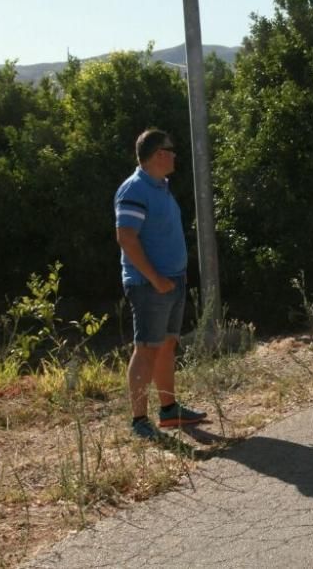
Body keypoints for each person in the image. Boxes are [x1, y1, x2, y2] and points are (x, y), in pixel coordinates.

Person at [115, 129, 206, 440]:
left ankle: (169, 411)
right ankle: (139, 421)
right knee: (146, 349)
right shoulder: (135, 189)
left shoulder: (160, 187)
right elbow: (126, 237)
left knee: (167, 345)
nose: (175, 154)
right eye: (170, 149)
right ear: (157, 155)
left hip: (171, 282)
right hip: (149, 285)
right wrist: (155, 279)